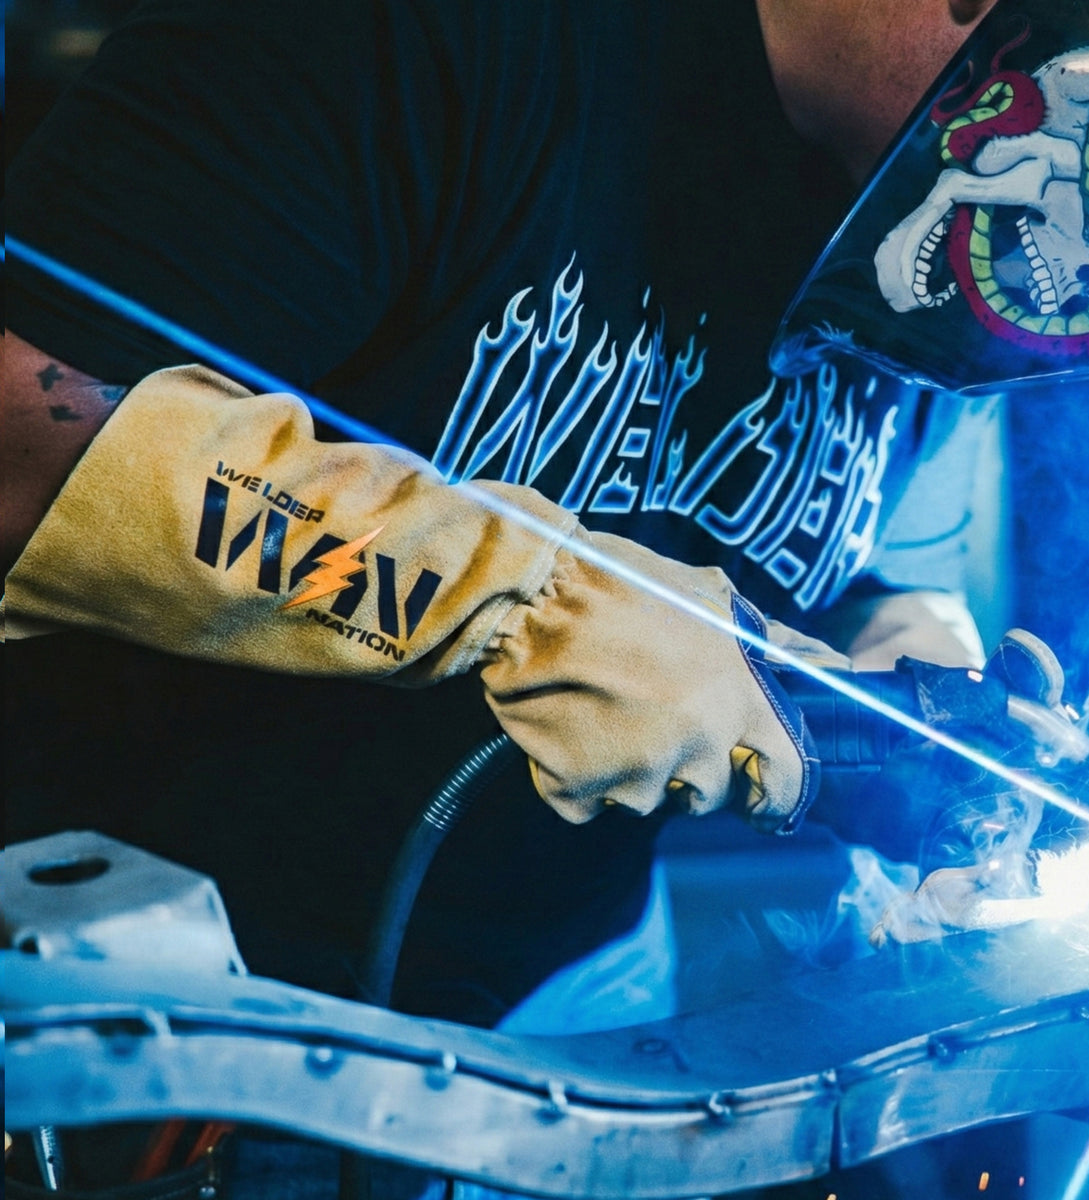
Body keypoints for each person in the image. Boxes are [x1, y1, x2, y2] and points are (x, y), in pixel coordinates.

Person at [3, 0, 998, 1192]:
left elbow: (782, 533)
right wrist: (514, 605)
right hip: (149, 1020)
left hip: (586, 1010)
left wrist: (884, 665)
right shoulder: (422, 42)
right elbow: (23, 435)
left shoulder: (930, 242)